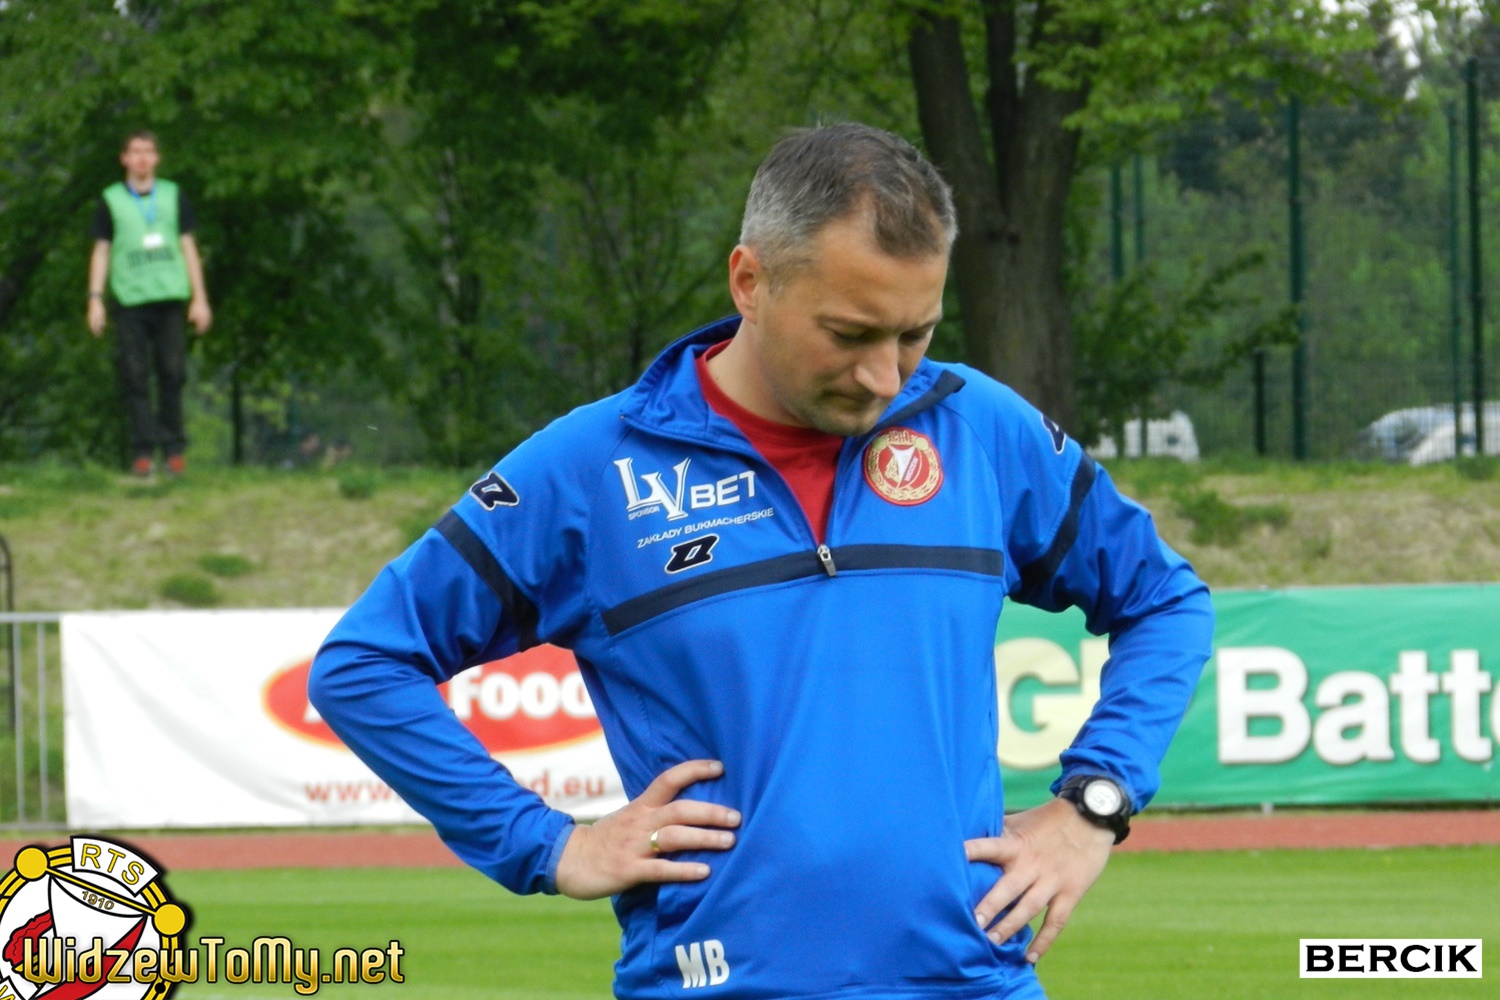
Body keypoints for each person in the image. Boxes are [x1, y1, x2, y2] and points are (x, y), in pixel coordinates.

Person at [309, 123, 1214, 1000]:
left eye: (916, 334)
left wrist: (1094, 804)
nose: (886, 376)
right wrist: (545, 845)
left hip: (974, 982)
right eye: (850, 334)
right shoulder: (592, 471)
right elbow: (365, 664)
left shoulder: (979, 429)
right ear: (750, 281)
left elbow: (1165, 600)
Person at [87, 130, 212, 477]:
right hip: (130, 298)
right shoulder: (111, 200)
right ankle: (142, 452)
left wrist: (200, 298)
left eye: (148, 151)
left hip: (170, 295)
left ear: (157, 158)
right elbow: (101, 250)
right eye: (135, 152)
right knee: (134, 375)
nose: (142, 158)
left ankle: (174, 449)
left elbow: (188, 246)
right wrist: (95, 299)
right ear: (124, 158)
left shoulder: (173, 195)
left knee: (173, 372)